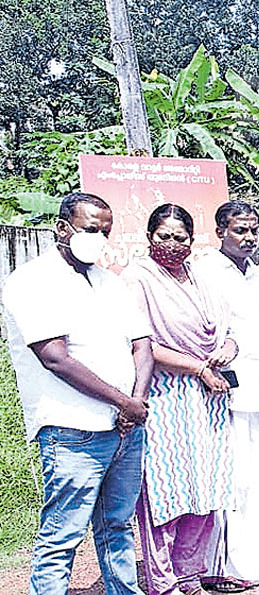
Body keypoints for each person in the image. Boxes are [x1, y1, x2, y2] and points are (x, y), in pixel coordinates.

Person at [3, 193, 152, 595]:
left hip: (124, 429)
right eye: (90, 229)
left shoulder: (109, 281)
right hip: (73, 430)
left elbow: (142, 346)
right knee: (62, 535)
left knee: (118, 526)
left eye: (106, 231)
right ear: (62, 227)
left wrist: (134, 405)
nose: (99, 238)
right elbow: (55, 358)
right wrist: (125, 403)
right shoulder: (32, 281)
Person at [123, 204, 237, 595]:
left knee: (205, 489)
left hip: (209, 398)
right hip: (165, 395)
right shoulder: (138, 278)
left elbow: (227, 327)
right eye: (164, 237)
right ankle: (165, 581)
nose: (172, 245)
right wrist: (197, 367)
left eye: (180, 237)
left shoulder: (200, 276)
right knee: (166, 492)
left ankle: (190, 576)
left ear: (192, 239)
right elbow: (144, 345)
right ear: (150, 237)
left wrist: (227, 347)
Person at [197, 201, 259, 589]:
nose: (249, 238)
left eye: (253, 231)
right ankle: (231, 563)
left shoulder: (257, 273)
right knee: (238, 475)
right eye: (240, 231)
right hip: (227, 386)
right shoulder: (204, 270)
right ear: (221, 231)